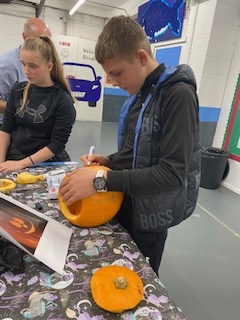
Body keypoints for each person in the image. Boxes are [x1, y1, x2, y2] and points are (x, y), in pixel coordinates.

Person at [59, 15, 201, 275]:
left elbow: (172, 174)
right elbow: (138, 150)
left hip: (149, 218)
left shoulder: (178, 96)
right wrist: (110, 161)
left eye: (116, 73)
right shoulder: (138, 95)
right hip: (124, 205)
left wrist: (99, 181)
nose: (112, 82)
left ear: (141, 58)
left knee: (138, 282)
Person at [0, 36, 76, 172]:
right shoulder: (18, 90)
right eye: (23, 64)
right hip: (16, 155)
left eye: (33, 66)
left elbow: (57, 144)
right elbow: (6, 130)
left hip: (46, 162)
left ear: (49, 66)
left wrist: (23, 164)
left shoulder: (62, 100)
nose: (26, 71)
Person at [0, 17, 52, 126]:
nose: (42, 48)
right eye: (38, 41)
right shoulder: (6, 65)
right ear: (24, 37)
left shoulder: (47, 63)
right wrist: (20, 108)